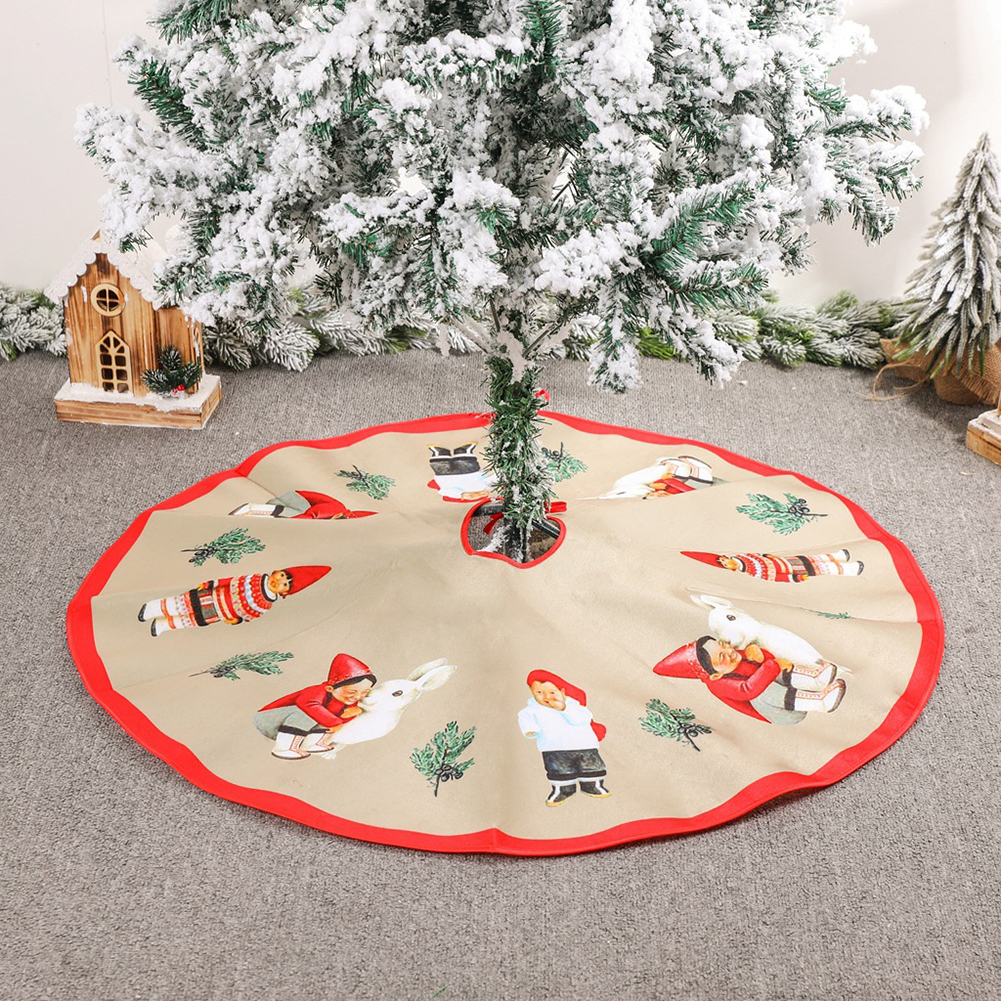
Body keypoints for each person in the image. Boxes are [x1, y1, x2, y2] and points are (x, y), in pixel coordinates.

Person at [653, 638, 845, 725]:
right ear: (715, 675)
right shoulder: (718, 685)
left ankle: (815, 681)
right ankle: (819, 702)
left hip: (786, 690)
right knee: (763, 689)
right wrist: (771, 665)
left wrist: (761, 656)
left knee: (773, 670)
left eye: (722, 645)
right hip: (782, 713)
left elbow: (768, 662)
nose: (729, 651)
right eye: (722, 656)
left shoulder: (736, 657)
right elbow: (748, 690)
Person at [138, 565, 330, 637]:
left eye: (284, 584)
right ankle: (154, 609)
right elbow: (232, 581)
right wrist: (211, 584)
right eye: (281, 575)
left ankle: (163, 625)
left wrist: (236, 620)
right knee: (182, 605)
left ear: (284, 593)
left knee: (191, 620)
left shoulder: (266, 604)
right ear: (276, 571)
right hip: (213, 596)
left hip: (220, 613)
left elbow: (250, 615)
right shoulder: (255, 579)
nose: (279, 581)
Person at [253, 653, 377, 759]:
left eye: (364, 692)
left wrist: (348, 715)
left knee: (327, 716)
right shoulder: (316, 692)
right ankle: (283, 748)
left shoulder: (347, 701)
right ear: (330, 688)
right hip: (269, 720)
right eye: (351, 692)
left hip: (293, 729)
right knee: (310, 713)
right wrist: (336, 722)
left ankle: (311, 744)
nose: (357, 696)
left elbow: (338, 720)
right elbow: (308, 705)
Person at [518, 669, 610, 807]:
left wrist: (564, 708)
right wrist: (530, 730)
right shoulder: (531, 710)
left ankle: (593, 786)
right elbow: (525, 719)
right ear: (532, 692)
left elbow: (584, 718)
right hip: (554, 748)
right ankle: (563, 790)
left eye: (552, 692)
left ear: (562, 691)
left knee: (591, 767)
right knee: (559, 771)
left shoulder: (574, 705)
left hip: (584, 745)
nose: (546, 696)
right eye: (539, 692)